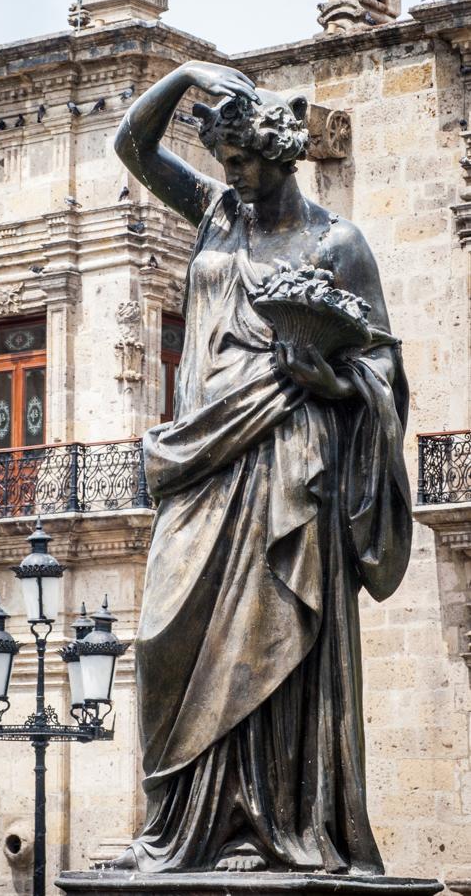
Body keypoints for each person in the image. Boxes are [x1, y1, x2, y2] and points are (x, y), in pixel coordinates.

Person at [113, 60, 412, 875]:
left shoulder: (335, 243)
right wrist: (181, 73)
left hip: (290, 461)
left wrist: (333, 381)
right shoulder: (214, 216)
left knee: (273, 632)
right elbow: (132, 147)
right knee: (160, 640)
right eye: (224, 163)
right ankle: (181, 823)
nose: (232, 176)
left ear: (280, 153)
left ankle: (264, 825)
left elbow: (382, 371)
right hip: (204, 458)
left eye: (243, 161)